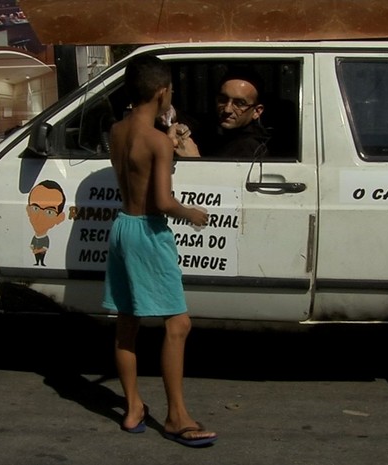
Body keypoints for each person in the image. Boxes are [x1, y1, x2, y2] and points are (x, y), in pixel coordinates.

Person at [103, 55, 218, 448]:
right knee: (178, 324)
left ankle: (133, 407)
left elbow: (135, 168)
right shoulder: (157, 141)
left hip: (122, 226)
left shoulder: (117, 131)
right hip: (149, 232)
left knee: (127, 322)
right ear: (161, 92)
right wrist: (194, 214)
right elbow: (164, 201)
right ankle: (176, 416)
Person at [170, 67, 270, 159]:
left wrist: (193, 159)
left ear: (257, 111)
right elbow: (199, 123)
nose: (227, 109)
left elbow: (225, 178)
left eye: (239, 104)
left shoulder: (249, 148)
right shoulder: (218, 130)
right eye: (222, 99)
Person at [26, 180, 66, 266]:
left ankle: (41, 262)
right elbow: (32, 244)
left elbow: (45, 247)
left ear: (59, 218)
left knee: (42, 256)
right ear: (28, 210)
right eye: (35, 209)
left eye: (49, 212)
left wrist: (38, 250)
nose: (40, 217)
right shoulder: (35, 237)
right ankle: (38, 263)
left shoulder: (45, 239)